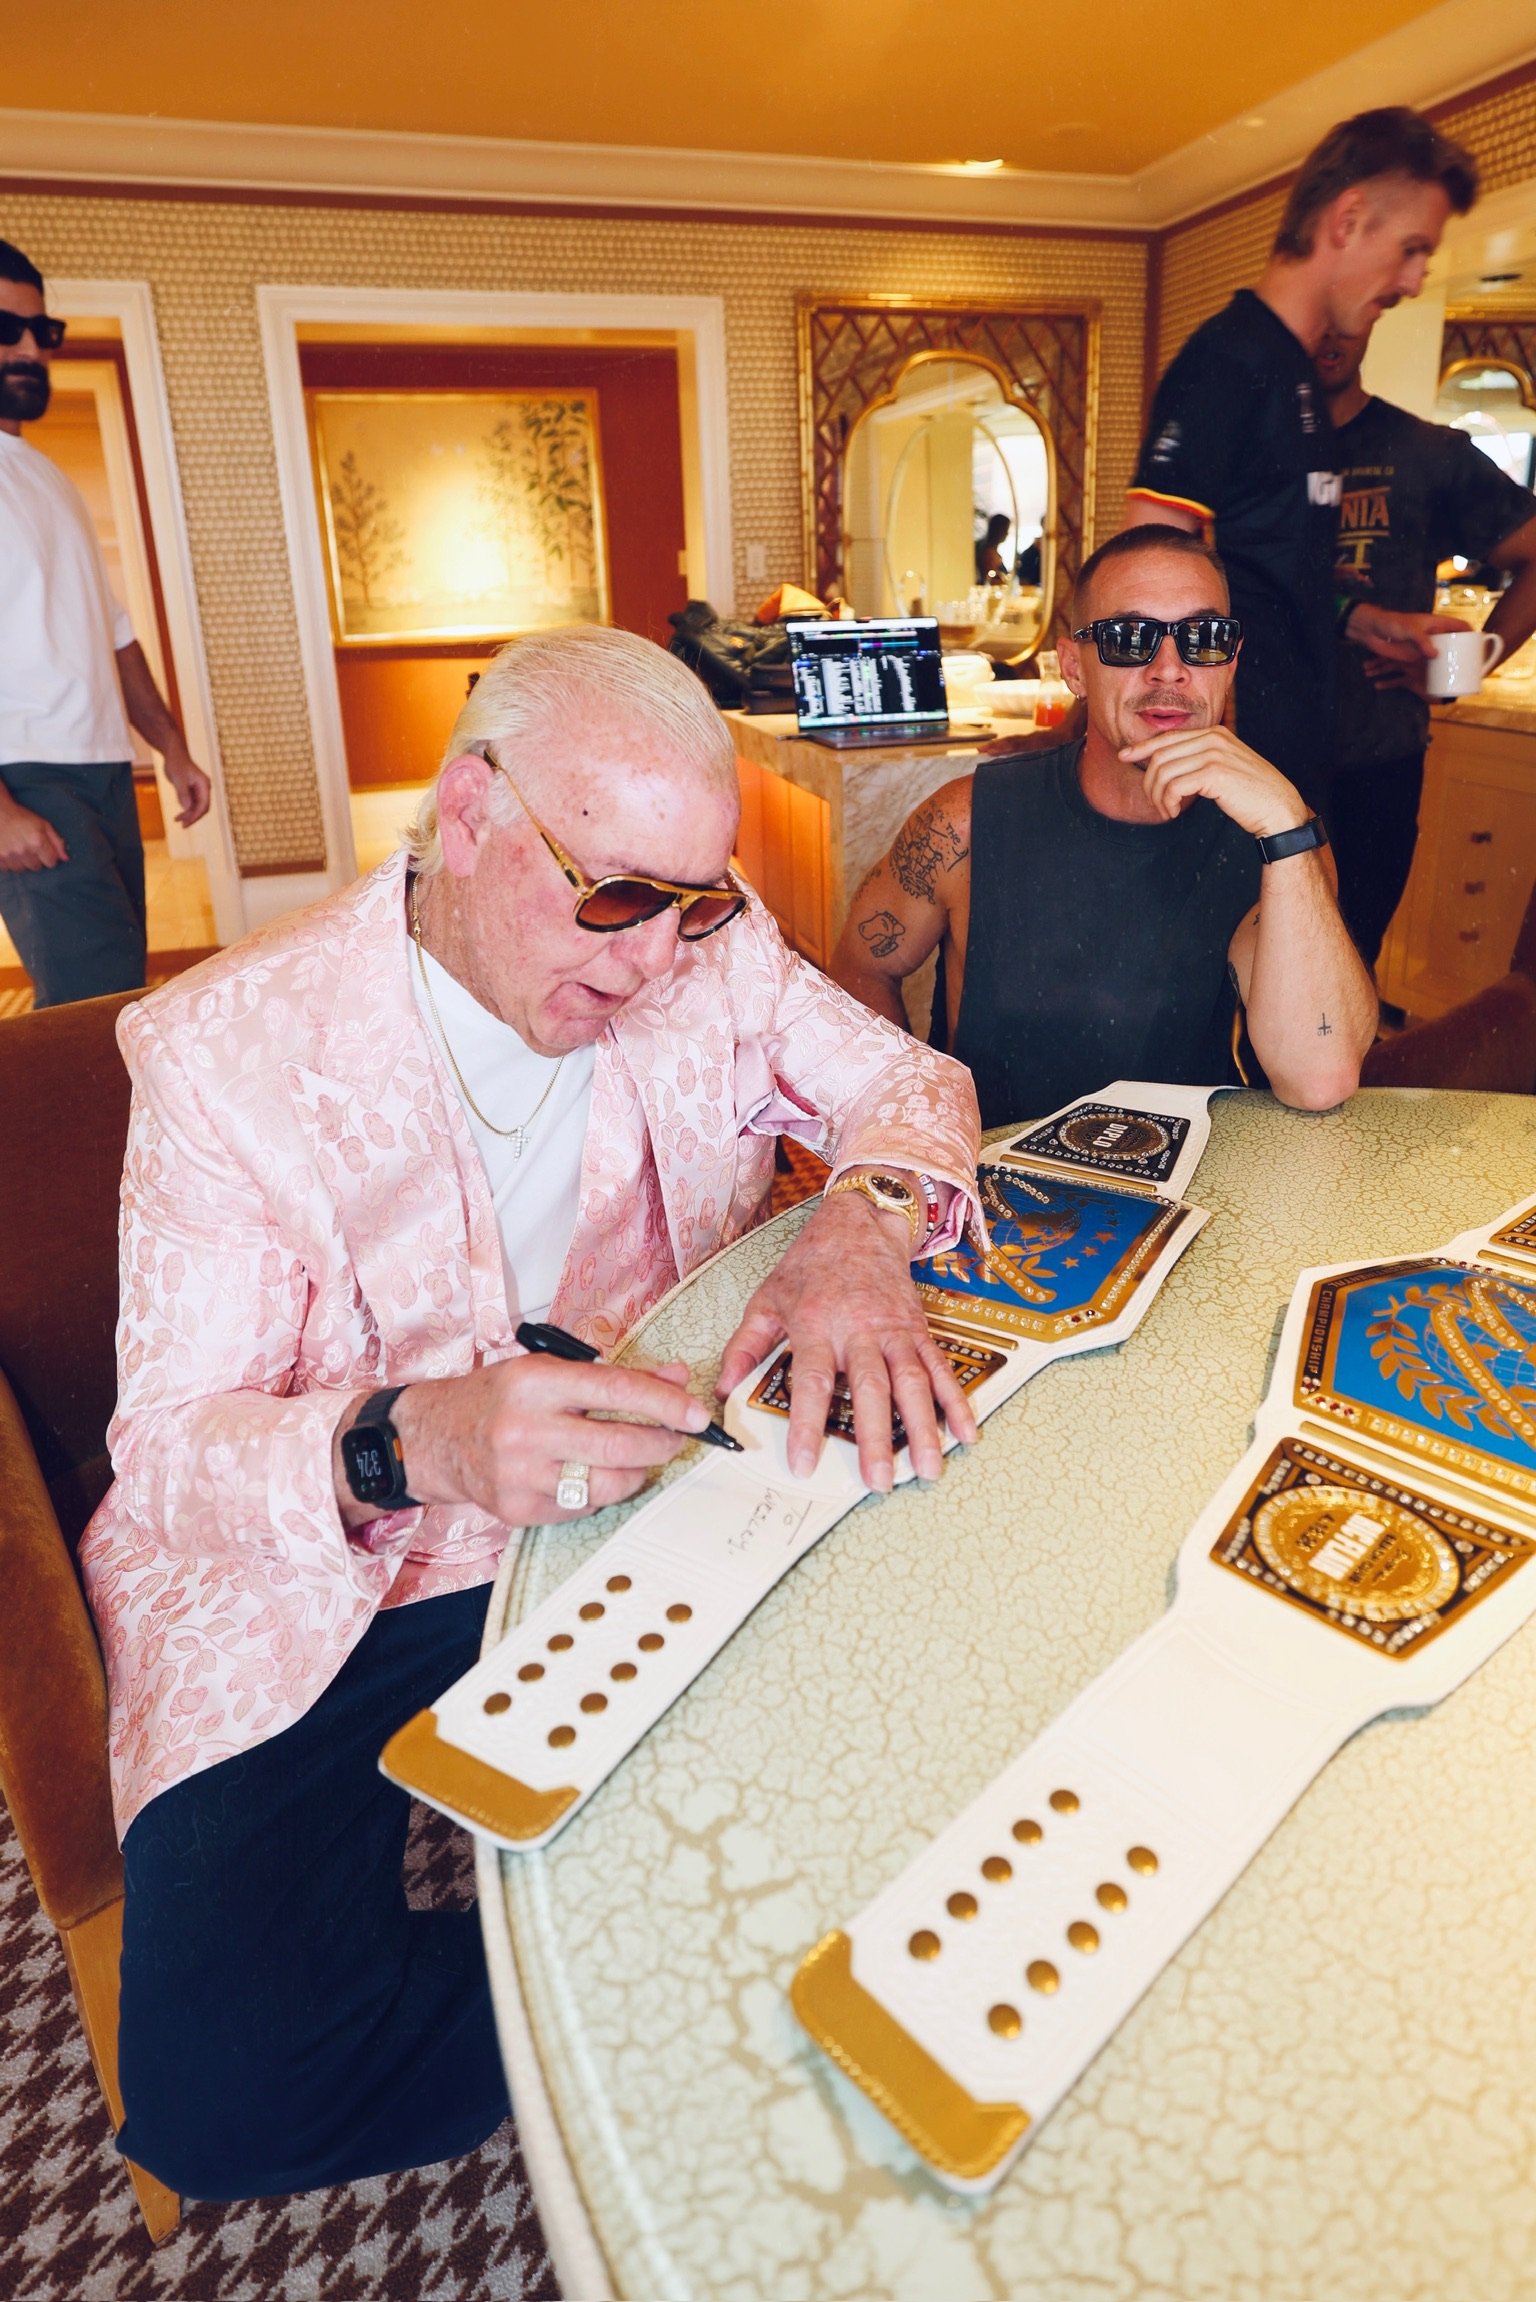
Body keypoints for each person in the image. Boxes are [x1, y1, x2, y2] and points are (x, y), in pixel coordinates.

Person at [81, 622, 982, 2200]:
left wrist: (864, 1218)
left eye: (695, 902)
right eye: (616, 894)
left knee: (939, 1666)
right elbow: (165, 1455)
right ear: (471, 808)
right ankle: (679, 1992)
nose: (654, 959)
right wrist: (409, 1436)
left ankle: (699, 1943)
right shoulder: (225, 1057)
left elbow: (899, 1084)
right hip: (337, 1576)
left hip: (640, 1494)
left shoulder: (708, 946)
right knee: (232, 2096)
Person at [830, 525, 1378, 1127]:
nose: (1169, 669)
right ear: (1074, 667)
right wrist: (914, 1119)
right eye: (1128, 638)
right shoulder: (966, 821)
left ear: (1231, 662)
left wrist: (1284, 824)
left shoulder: (1275, 839)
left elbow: (1319, 1078)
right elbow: (863, 966)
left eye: (1202, 637)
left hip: (1187, 1185)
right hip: (994, 1182)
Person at [1126, 108, 1479, 817]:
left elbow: (1267, 570)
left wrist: (1361, 617)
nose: (1413, 282)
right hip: (1237, 780)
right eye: (1411, 249)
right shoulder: (1231, 361)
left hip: (1295, 764)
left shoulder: (1296, 376)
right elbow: (1146, 575)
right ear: (1347, 221)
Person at [0, 236, 210, 1006]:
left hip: (103, 771)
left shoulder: (45, 478)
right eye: (5, 330)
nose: (28, 349)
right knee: (97, 1002)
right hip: (26, 779)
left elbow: (113, 632)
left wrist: (171, 750)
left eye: (41, 332)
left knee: (117, 980)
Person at [1315, 321, 1536, 966]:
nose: (1331, 331)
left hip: (1377, 764)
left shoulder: (1425, 452)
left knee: (1348, 965)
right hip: (1261, 752)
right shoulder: (1254, 456)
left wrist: (1459, 671)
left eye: (1346, 314)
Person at [975, 512, 1012, 583]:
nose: (1007, 533)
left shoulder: (990, 550)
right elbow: (993, 580)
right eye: (1005, 529)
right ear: (999, 530)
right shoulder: (988, 553)